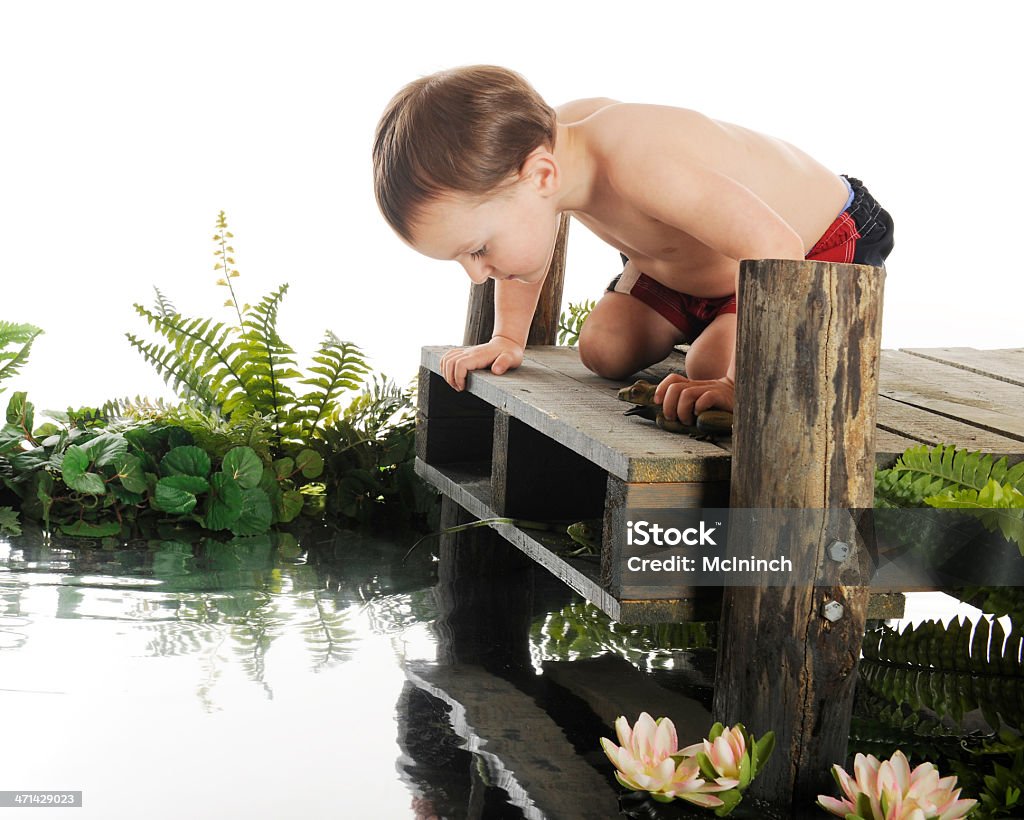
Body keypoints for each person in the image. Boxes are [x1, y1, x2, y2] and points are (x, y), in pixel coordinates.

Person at [372, 65, 894, 424]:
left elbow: (774, 244)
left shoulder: (641, 162)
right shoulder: (548, 159)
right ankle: (716, 320)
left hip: (806, 247)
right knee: (603, 348)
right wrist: (507, 338)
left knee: (709, 368)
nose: (477, 272)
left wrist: (739, 382)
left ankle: (726, 336)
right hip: (684, 266)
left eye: (478, 248)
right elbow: (525, 257)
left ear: (541, 175)